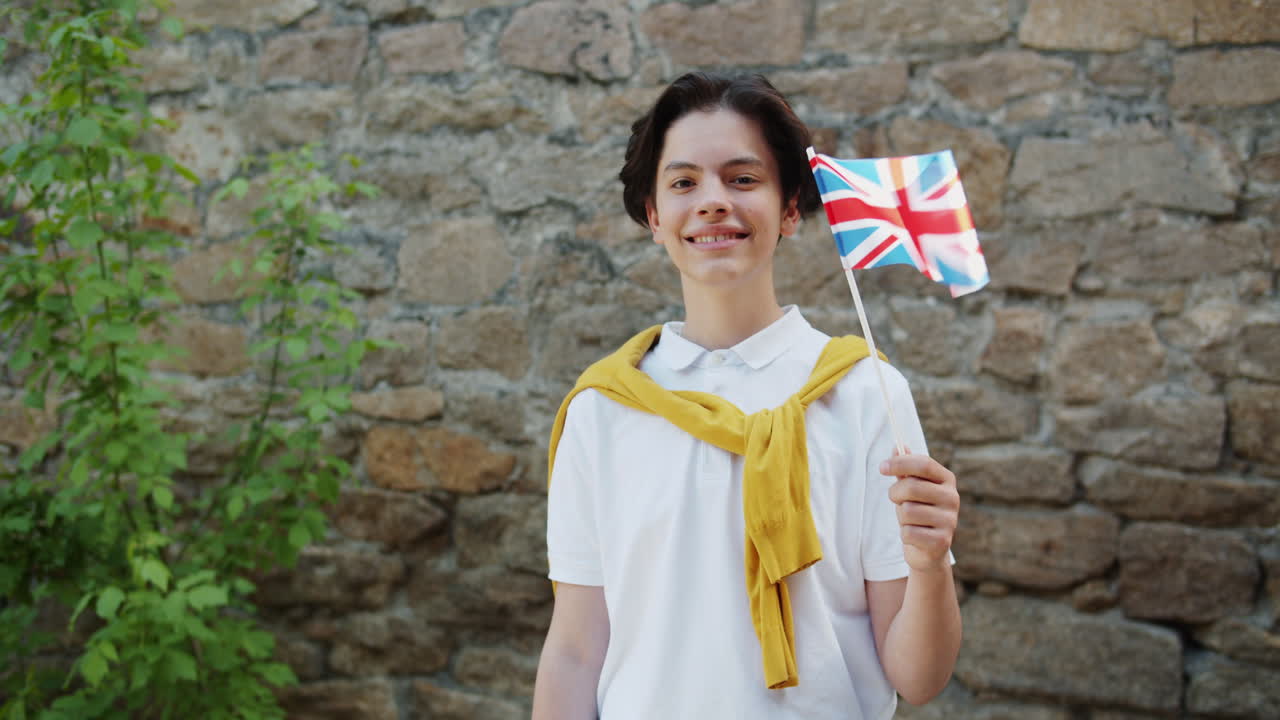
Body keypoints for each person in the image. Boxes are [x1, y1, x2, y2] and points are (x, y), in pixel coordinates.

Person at [532, 71, 962, 720]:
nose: (711, 201)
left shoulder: (865, 392)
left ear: (791, 208)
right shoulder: (603, 407)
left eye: (742, 179)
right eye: (682, 183)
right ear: (653, 214)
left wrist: (930, 566)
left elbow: (918, 677)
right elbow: (574, 652)